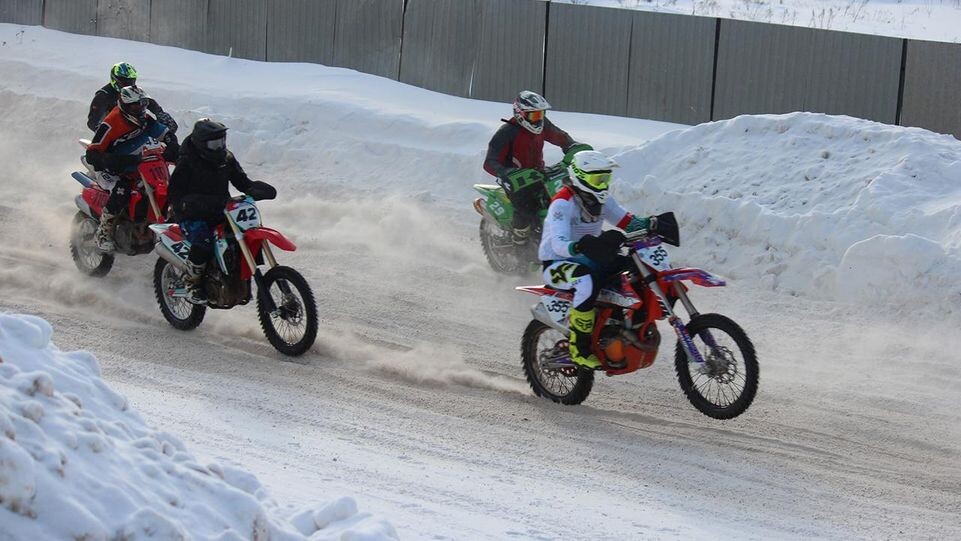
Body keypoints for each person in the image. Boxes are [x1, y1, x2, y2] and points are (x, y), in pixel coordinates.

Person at [538, 150, 656, 369]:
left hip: (591, 257)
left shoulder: (603, 200)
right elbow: (558, 244)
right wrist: (580, 245)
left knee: (634, 268)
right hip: (556, 263)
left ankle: (623, 326)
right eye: (597, 179)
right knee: (586, 281)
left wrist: (651, 224)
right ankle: (579, 348)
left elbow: (626, 221)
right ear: (580, 177)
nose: (602, 184)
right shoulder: (562, 203)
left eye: (606, 178)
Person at [167, 118, 275, 304]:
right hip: (192, 214)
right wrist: (191, 204)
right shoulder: (187, 162)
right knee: (203, 239)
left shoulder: (226, 158)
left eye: (222, 141)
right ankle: (191, 283)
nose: (219, 147)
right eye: (214, 143)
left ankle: (234, 275)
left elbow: (241, 180)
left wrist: (254, 189)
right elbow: (175, 193)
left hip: (220, 209)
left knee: (242, 234)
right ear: (201, 143)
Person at [483, 90, 588, 245]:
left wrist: (572, 147)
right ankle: (520, 244)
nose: (538, 119)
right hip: (516, 181)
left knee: (567, 196)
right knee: (527, 210)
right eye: (534, 115)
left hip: (540, 175)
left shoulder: (543, 125)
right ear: (520, 114)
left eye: (541, 114)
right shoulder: (507, 132)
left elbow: (562, 137)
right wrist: (506, 172)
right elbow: (489, 162)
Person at [86, 85, 178, 252]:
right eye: (136, 105)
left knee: (166, 186)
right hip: (109, 169)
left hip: (138, 164)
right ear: (125, 105)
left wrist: (172, 144)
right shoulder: (111, 123)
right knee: (122, 190)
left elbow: (164, 133)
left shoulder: (144, 119)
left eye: (143, 104)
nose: (140, 108)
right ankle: (103, 232)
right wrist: (112, 161)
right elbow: (92, 154)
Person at [87, 62, 179, 135]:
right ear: (115, 79)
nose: (130, 84)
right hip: (113, 135)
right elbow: (93, 122)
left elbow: (148, 101)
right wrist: (106, 131)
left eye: (132, 81)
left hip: (135, 131)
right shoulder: (103, 96)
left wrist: (160, 113)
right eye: (126, 81)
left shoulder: (135, 91)